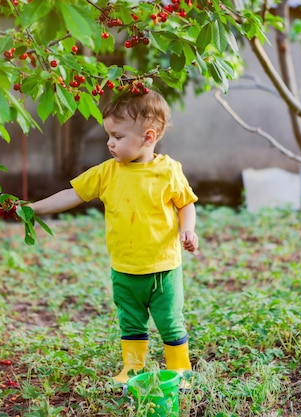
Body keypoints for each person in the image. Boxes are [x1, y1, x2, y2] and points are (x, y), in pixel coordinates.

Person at [28, 89, 199, 385]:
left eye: (117, 137)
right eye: (109, 135)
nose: (110, 143)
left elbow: (186, 203)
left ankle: (181, 369)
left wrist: (188, 228)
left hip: (163, 268)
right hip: (124, 268)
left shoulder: (168, 171)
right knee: (130, 322)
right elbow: (73, 194)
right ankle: (132, 369)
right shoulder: (107, 172)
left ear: (147, 137)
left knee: (170, 323)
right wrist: (33, 209)